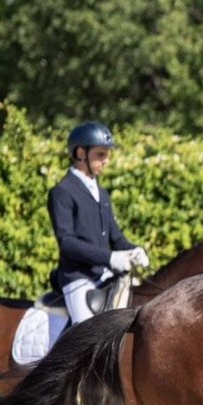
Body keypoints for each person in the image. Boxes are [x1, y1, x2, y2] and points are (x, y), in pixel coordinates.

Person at [48, 121, 149, 326]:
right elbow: (67, 243)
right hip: (77, 278)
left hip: (104, 275)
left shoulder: (101, 194)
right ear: (80, 153)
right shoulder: (63, 192)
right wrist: (110, 258)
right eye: (101, 155)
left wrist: (134, 250)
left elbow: (116, 238)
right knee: (87, 332)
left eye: (107, 155)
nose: (106, 161)